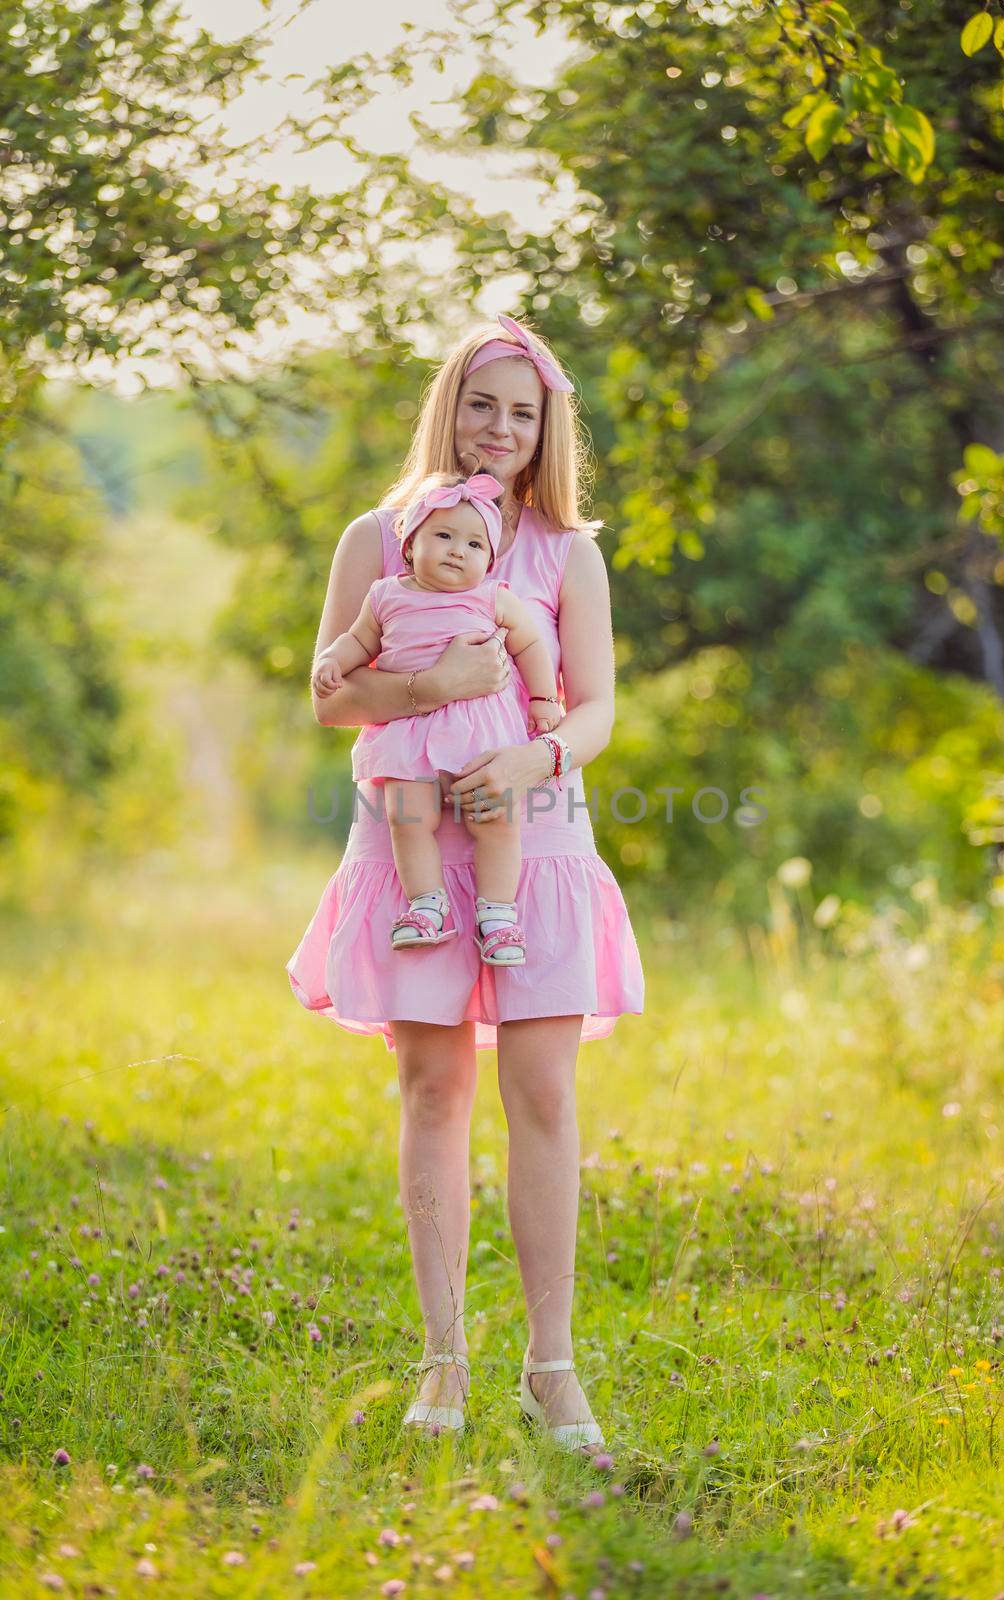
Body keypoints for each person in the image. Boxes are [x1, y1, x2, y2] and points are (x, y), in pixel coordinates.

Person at [286, 310, 645, 1450]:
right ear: (450, 408)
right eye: (480, 403)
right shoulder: (376, 537)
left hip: (528, 838)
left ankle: (552, 1367)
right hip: (406, 839)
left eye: (522, 412)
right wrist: (432, 684)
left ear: (547, 432)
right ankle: (443, 1360)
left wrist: (532, 754)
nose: (499, 428)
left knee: (540, 1091)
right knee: (431, 1088)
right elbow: (330, 695)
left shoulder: (564, 552)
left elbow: (591, 705)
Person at [310, 468, 562, 967]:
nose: (456, 550)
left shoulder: (492, 598)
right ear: (409, 544)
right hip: (410, 733)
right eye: (443, 536)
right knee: (408, 816)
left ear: (489, 561)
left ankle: (498, 916)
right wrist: (332, 663)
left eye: (474, 545)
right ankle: (427, 905)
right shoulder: (386, 595)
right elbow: (359, 641)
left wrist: (541, 699)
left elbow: (530, 643)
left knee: (494, 819)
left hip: (480, 735)